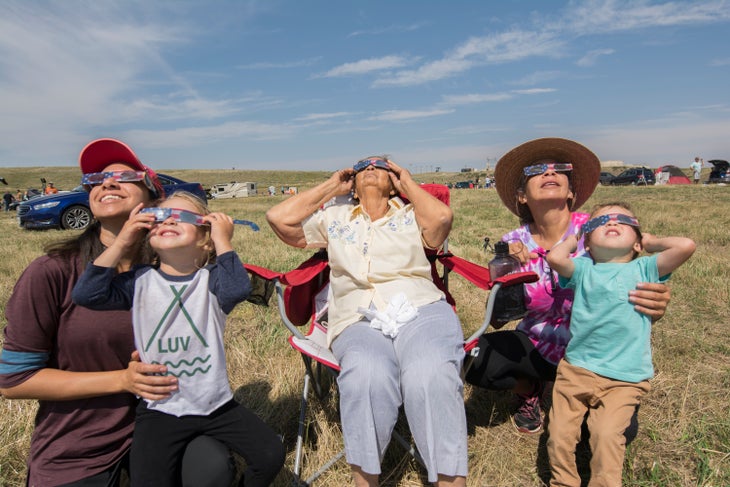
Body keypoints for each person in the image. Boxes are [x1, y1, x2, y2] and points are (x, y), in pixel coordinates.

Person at [0, 138, 236, 487]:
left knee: (212, 469)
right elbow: (14, 381)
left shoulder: (174, 271)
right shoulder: (53, 271)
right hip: (82, 443)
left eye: (125, 176)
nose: (106, 182)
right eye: (95, 179)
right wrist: (122, 380)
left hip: (169, 420)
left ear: (154, 201)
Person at [266, 156, 467, 487]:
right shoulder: (334, 216)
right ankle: (366, 482)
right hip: (357, 316)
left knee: (431, 373)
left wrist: (407, 184)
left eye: (380, 166)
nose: (371, 167)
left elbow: (443, 218)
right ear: (354, 186)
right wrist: (333, 186)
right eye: (362, 167)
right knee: (365, 375)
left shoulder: (412, 215)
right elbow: (278, 218)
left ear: (393, 183)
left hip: (421, 308)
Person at [72, 191, 285, 487]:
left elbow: (237, 290)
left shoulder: (211, 280)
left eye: (182, 216)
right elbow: (86, 294)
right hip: (161, 408)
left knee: (270, 454)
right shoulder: (139, 281)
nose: (167, 220)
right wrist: (123, 240)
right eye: (159, 218)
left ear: (204, 238)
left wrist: (224, 241)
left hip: (215, 405)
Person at [464, 138, 671, 435]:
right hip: (536, 346)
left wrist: (657, 301)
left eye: (559, 169)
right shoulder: (512, 243)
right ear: (522, 195)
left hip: (594, 352)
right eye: (538, 169)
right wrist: (504, 271)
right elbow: (497, 320)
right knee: (477, 358)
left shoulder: (598, 231)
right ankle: (530, 390)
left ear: (571, 190)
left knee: (614, 432)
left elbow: (637, 282)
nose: (550, 173)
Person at [546, 202, 695, 486]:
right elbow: (555, 258)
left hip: (624, 378)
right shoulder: (583, 268)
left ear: (638, 243)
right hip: (576, 369)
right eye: (600, 222)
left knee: (606, 436)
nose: (612, 223)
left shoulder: (647, 268)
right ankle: (563, 482)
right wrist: (572, 240)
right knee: (559, 434)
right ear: (588, 243)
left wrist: (652, 242)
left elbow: (686, 245)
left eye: (624, 221)